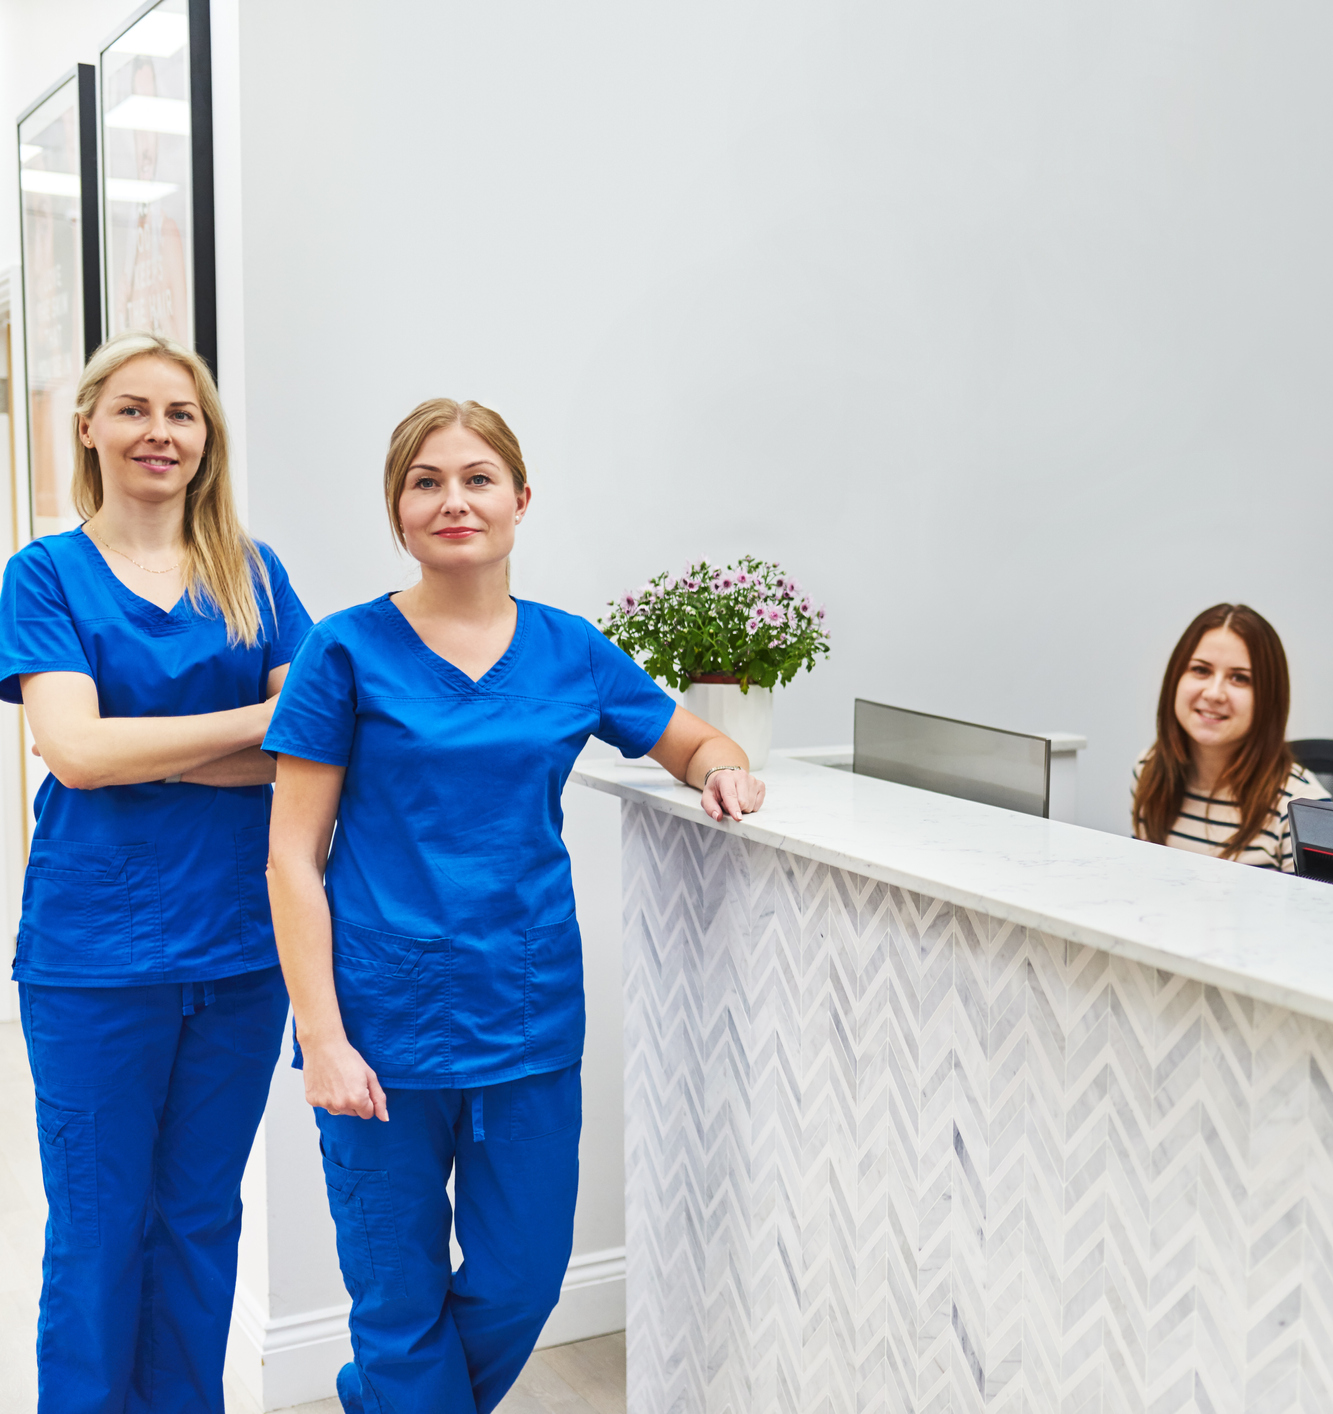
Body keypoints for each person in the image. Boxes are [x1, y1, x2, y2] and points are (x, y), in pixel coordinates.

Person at [263, 398, 766, 1414]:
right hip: (378, 1030)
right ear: (398, 512)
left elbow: (696, 739)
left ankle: (382, 1400)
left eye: (478, 478)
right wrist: (320, 1035)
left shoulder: (571, 651)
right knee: (396, 1300)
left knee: (523, 1280)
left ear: (520, 500)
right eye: (426, 481)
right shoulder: (345, 652)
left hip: (524, 1020)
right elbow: (289, 855)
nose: (454, 499)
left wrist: (725, 770)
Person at [0, 332, 313, 1413]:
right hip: (95, 955)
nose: (158, 433)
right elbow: (74, 753)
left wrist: (151, 739)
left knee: (197, 1221)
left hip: (238, 949)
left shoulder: (255, 573)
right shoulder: (44, 574)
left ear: (207, 436)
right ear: (86, 425)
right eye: (131, 410)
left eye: (180, 414)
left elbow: (310, 747)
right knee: (97, 1230)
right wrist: (250, 727)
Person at [1132, 603, 1328, 871]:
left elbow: (1315, 912)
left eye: (1239, 678)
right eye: (1201, 670)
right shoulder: (1149, 770)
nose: (1214, 694)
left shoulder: (1303, 808)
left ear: (1268, 699)